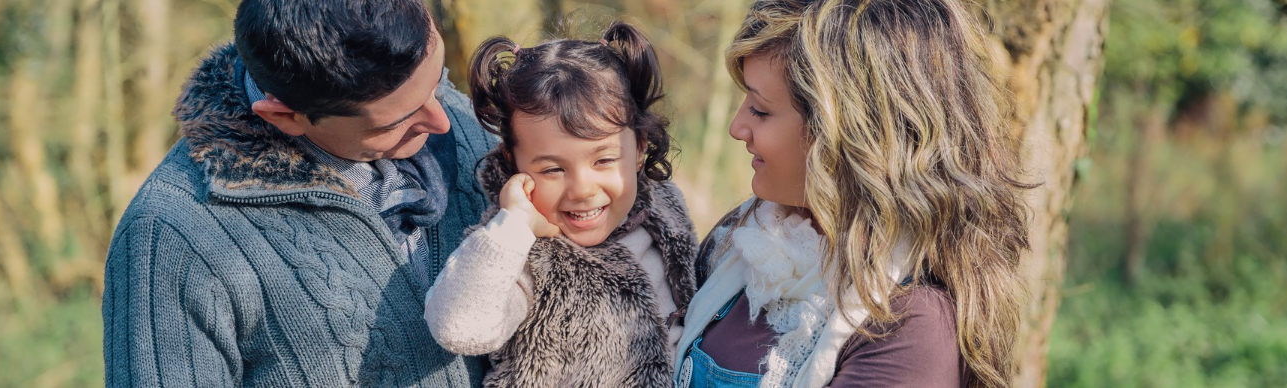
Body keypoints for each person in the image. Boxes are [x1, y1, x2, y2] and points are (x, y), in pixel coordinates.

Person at [100, 0, 498, 386]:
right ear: (284, 116)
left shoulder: (479, 129)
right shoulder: (172, 235)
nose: (445, 121)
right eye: (397, 121)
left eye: (437, 78)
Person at [674, 0, 1031, 387]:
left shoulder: (908, 327)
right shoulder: (740, 239)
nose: (737, 127)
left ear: (845, 136)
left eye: (760, 110)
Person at [421, 22, 699, 387]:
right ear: (514, 163)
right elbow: (458, 327)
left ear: (640, 148)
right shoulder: (522, 256)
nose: (582, 189)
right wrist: (514, 226)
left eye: (603, 160)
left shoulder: (664, 209)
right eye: (553, 168)